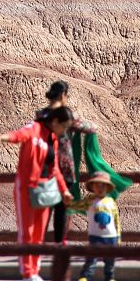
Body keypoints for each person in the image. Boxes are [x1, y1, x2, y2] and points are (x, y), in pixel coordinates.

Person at [0, 106, 75, 281]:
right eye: (64, 126)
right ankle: (27, 273)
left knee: (38, 234)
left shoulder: (53, 139)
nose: (64, 131)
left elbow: (55, 168)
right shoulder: (34, 129)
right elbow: (17, 135)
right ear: (55, 121)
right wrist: (0, 139)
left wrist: (64, 190)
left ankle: (35, 271)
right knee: (26, 232)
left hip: (45, 191)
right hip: (27, 188)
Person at [40, 80, 98, 244]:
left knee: (44, 208)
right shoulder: (66, 115)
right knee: (63, 208)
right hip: (64, 168)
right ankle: (60, 243)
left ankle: (39, 243)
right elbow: (90, 127)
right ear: (62, 95)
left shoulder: (41, 115)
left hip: (45, 167)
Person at [77, 172, 120, 281]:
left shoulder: (111, 202)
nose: (100, 188)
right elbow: (77, 206)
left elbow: (116, 220)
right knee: (91, 258)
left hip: (111, 237)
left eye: (103, 185)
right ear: (92, 186)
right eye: (97, 185)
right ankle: (85, 276)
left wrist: (118, 236)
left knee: (110, 260)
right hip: (95, 236)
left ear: (107, 187)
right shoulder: (89, 201)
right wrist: (68, 202)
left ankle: (110, 277)